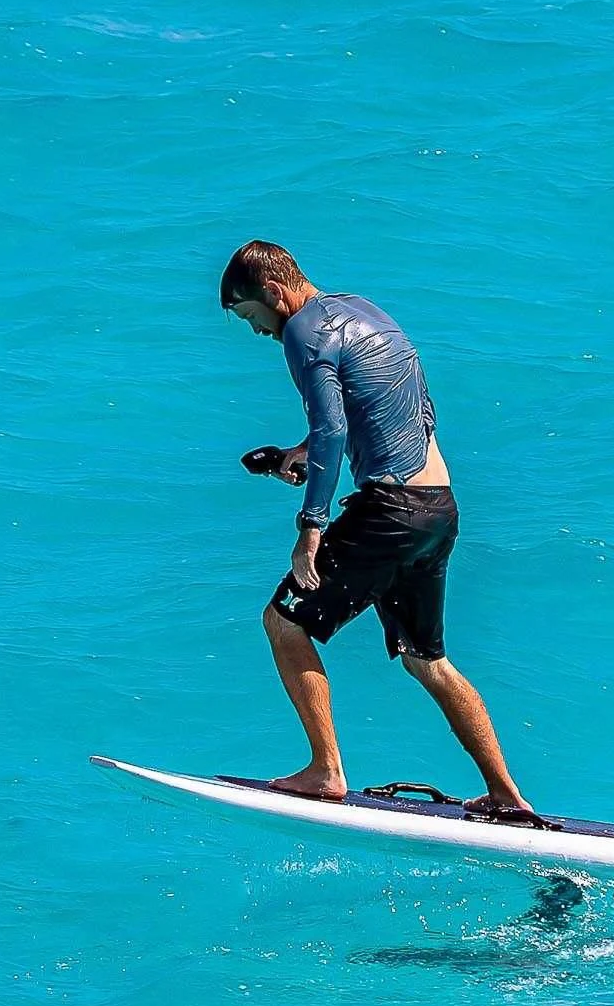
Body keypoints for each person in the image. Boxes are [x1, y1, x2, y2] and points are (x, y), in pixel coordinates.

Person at [219, 239, 535, 818]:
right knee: (428, 660)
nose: (256, 330)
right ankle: (506, 793)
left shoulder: (303, 334)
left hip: (389, 512)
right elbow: (408, 403)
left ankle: (325, 771)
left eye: (250, 316)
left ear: (271, 293)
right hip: (438, 506)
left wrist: (310, 528)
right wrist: (301, 451)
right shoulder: (364, 311)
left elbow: (334, 429)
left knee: (285, 623)